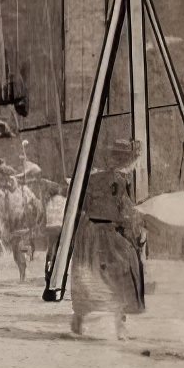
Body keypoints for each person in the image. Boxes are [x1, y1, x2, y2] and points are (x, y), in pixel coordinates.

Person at [71, 140, 146, 339]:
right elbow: (121, 210)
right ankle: (89, 319)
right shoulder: (111, 179)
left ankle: (102, 322)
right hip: (100, 231)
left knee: (108, 273)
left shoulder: (105, 178)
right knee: (105, 274)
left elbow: (121, 208)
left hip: (100, 231)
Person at [44, 182, 68, 279]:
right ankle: (59, 271)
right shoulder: (65, 200)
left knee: (50, 248)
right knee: (61, 249)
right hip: (60, 227)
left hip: (50, 227)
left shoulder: (49, 202)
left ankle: (48, 267)